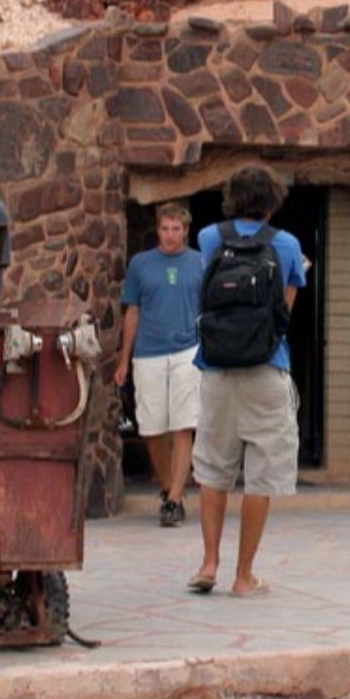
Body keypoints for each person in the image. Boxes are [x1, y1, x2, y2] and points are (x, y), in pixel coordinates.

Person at [188, 166, 307, 598]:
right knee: (261, 475)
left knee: (213, 469)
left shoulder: (209, 238)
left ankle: (208, 563)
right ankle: (244, 576)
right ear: (273, 200)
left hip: (216, 368)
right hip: (266, 367)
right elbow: (285, 310)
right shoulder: (287, 244)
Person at [115, 203, 207, 528]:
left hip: (188, 349)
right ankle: (169, 488)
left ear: (185, 231)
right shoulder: (141, 264)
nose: (170, 235)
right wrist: (124, 359)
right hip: (148, 351)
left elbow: (208, 309)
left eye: (176, 229)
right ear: (158, 230)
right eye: (165, 228)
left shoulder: (200, 262)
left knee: (184, 423)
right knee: (152, 427)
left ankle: (175, 498)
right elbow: (132, 311)